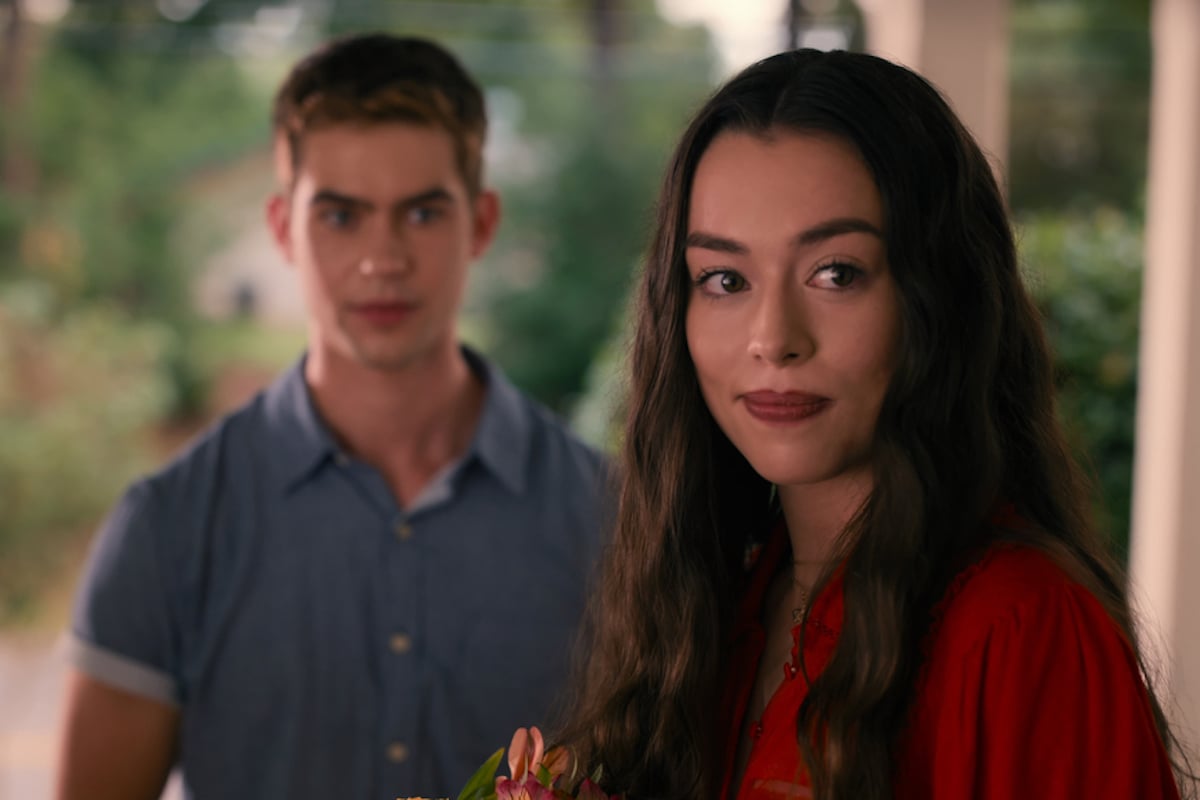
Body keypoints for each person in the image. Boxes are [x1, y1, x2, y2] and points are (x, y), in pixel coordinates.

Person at [556, 48, 1195, 799]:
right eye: (724, 279)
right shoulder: (711, 616)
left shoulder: (1020, 629)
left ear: (940, 298)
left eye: (836, 273)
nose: (773, 337)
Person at [55, 33, 611, 800]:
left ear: (480, 222)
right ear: (284, 227)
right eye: (341, 216)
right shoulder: (169, 527)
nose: (382, 258)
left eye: (421, 212)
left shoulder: (616, 521)